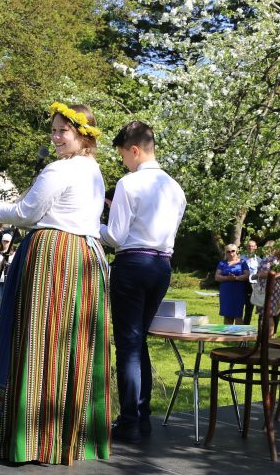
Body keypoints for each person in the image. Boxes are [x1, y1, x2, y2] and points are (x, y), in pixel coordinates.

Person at [0, 101, 110, 465]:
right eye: (54, 131)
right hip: (87, 260)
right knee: (74, 345)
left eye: (64, 131)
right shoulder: (95, 171)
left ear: (83, 135)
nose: (56, 137)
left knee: (40, 341)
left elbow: (26, 214)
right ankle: (70, 440)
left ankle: (34, 441)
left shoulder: (59, 170)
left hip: (54, 257)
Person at [99, 120, 187, 444]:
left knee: (128, 345)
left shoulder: (129, 184)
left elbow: (115, 236)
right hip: (162, 267)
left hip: (132, 264)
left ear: (134, 150)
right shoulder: (176, 188)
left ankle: (129, 421)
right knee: (138, 343)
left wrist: (92, 223)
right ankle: (142, 416)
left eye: (123, 155)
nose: (123, 162)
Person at [253, 246, 280, 333]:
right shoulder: (273, 259)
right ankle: (263, 338)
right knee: (265, 314)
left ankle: (268, 338)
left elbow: (271, 274)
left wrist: (256, 276)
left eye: (267, 248)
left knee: (268, 314)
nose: (265, 250)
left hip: (272, 290)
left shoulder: (274, 260)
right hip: (266, 289)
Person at [216, 244, 250, 324]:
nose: (231, 253)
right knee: (227, 315)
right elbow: (217, 277)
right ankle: (227, 335)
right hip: (226, 292)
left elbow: (247, 275)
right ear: (226, 253)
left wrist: (236, 278)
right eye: (228, 251)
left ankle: (239, 336)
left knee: (238, 315)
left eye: (233, 251)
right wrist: (227, 278)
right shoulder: (222, 263)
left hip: (238, 291)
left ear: (236, 251)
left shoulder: (242, 262)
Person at [0, 233, 15, 306]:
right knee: (1, 300)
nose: (5, 243)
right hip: (0, 279)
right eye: (4, 241)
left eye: (7, 242)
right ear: (1, 241)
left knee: (10, 301)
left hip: (10, 280)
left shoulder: (14, 254)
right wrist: (2, 262)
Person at [242, 239, 260, 324]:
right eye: (249, 246)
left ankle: (246, 325)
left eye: (252, 246)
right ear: (246, 247)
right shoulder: (241, 258)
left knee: (249, 307)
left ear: (256, 247)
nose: (250, 248)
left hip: (253, 285)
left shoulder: (259, 260)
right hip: (241, 283)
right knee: (240, 305)